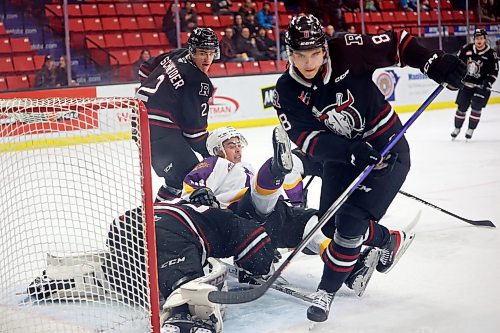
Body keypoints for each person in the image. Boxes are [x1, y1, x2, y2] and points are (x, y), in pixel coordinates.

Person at [273, 14, 466, 322]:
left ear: (324, 48)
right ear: (289, 53)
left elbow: (398, 44)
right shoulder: (285, 91)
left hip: (386, 147)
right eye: (300, 55)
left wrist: (433, 61)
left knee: (350, 221)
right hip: (345, 156)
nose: (308, 62)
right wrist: (349, 152)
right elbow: (307, 139)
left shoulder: (347, 50)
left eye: (314, 53)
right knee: (328, 225)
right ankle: (387, 240)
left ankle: (326, 292)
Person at [135, 27, 219, 202]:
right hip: (158, 132)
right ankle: (162, 223)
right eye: (202, 53)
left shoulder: (177, 54)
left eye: (211, 53)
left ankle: (154, 222)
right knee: (193, 179)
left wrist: (160, 96)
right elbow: (194, 133)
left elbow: (144, 69)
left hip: (139, 120)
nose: (207, 59)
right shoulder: (199, 82)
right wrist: (212, 153)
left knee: (175, 181)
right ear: (192, 50)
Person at [451, 28, 498, 140]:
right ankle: (457, 128)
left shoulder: (492, 54)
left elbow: (494, 72)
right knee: (461, 107)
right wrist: (457, 76)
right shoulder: (466, 49)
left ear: (485, 39)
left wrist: (487, 82)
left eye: (481, 38)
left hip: (482, 86)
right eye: (477, 38)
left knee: (476, 107)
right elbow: (457, 63)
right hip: (466, 84)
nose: (479, 41)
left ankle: (470, 129)